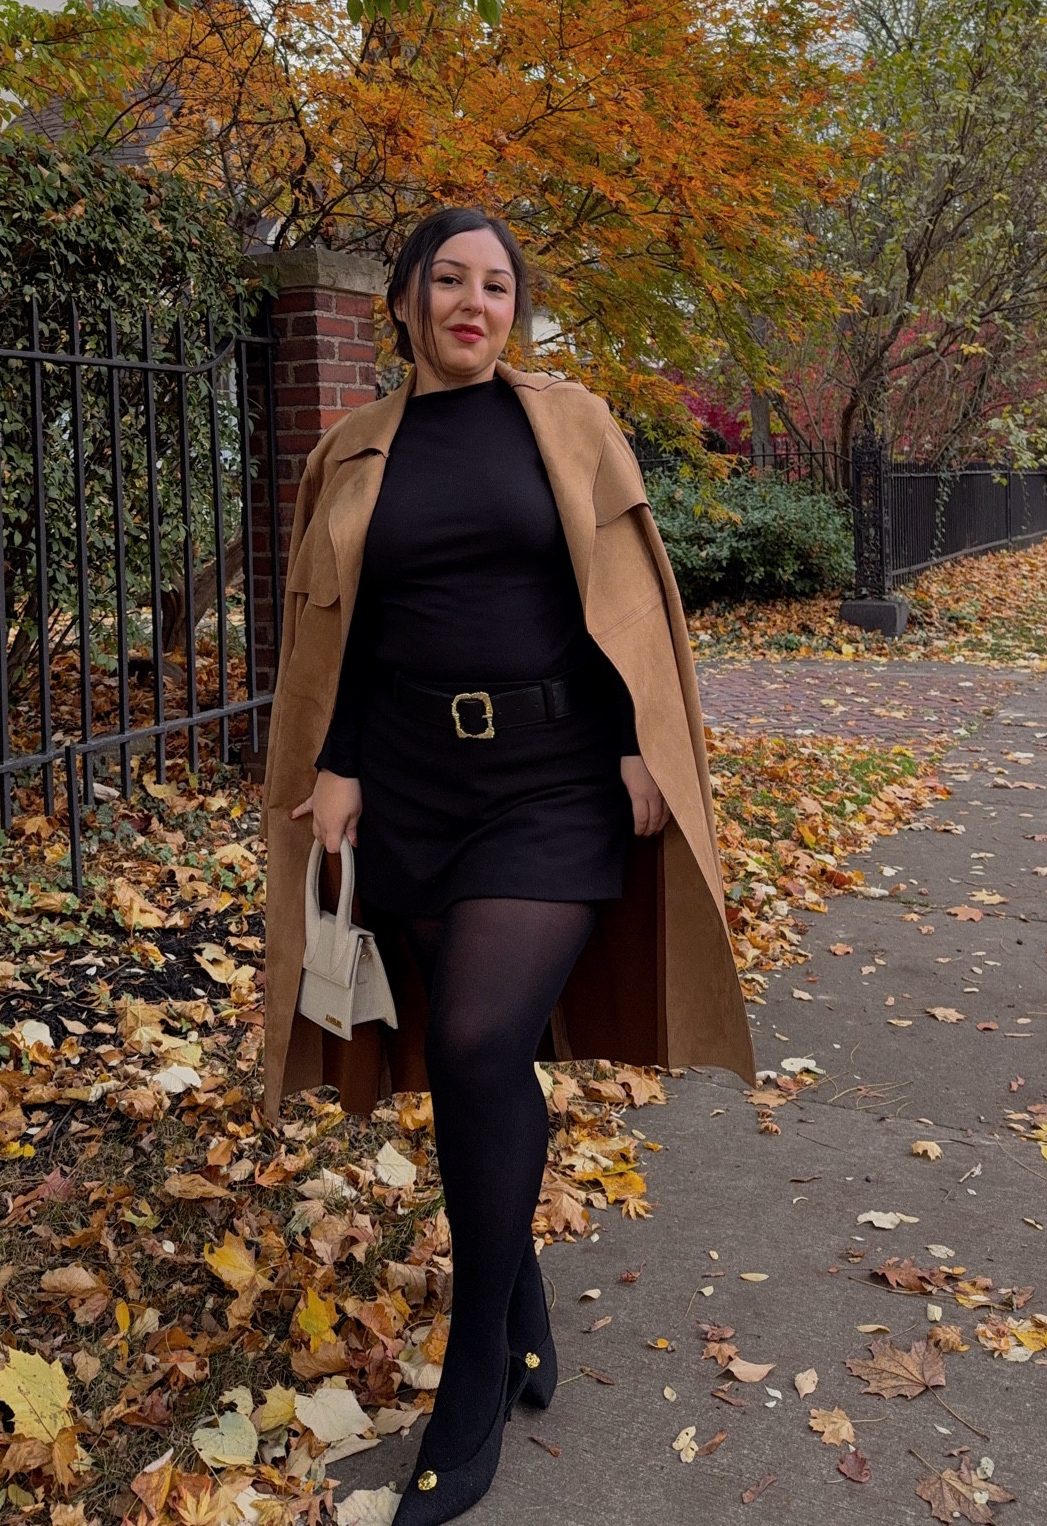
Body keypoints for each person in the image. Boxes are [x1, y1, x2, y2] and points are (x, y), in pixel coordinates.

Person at [260, 207, 753, 1523]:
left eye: (496, 284)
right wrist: (346, 761)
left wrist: (643, 740)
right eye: (449, 280)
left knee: (479, 1039)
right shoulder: (354, 451)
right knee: (474, 1058)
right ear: (409, 303)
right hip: (412, 784)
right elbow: (348, 637)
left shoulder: (572, 422)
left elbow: (630, 599)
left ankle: (473, 1368)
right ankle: (518, 1287)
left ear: (513, 308)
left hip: (553, 776)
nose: (472, 301)